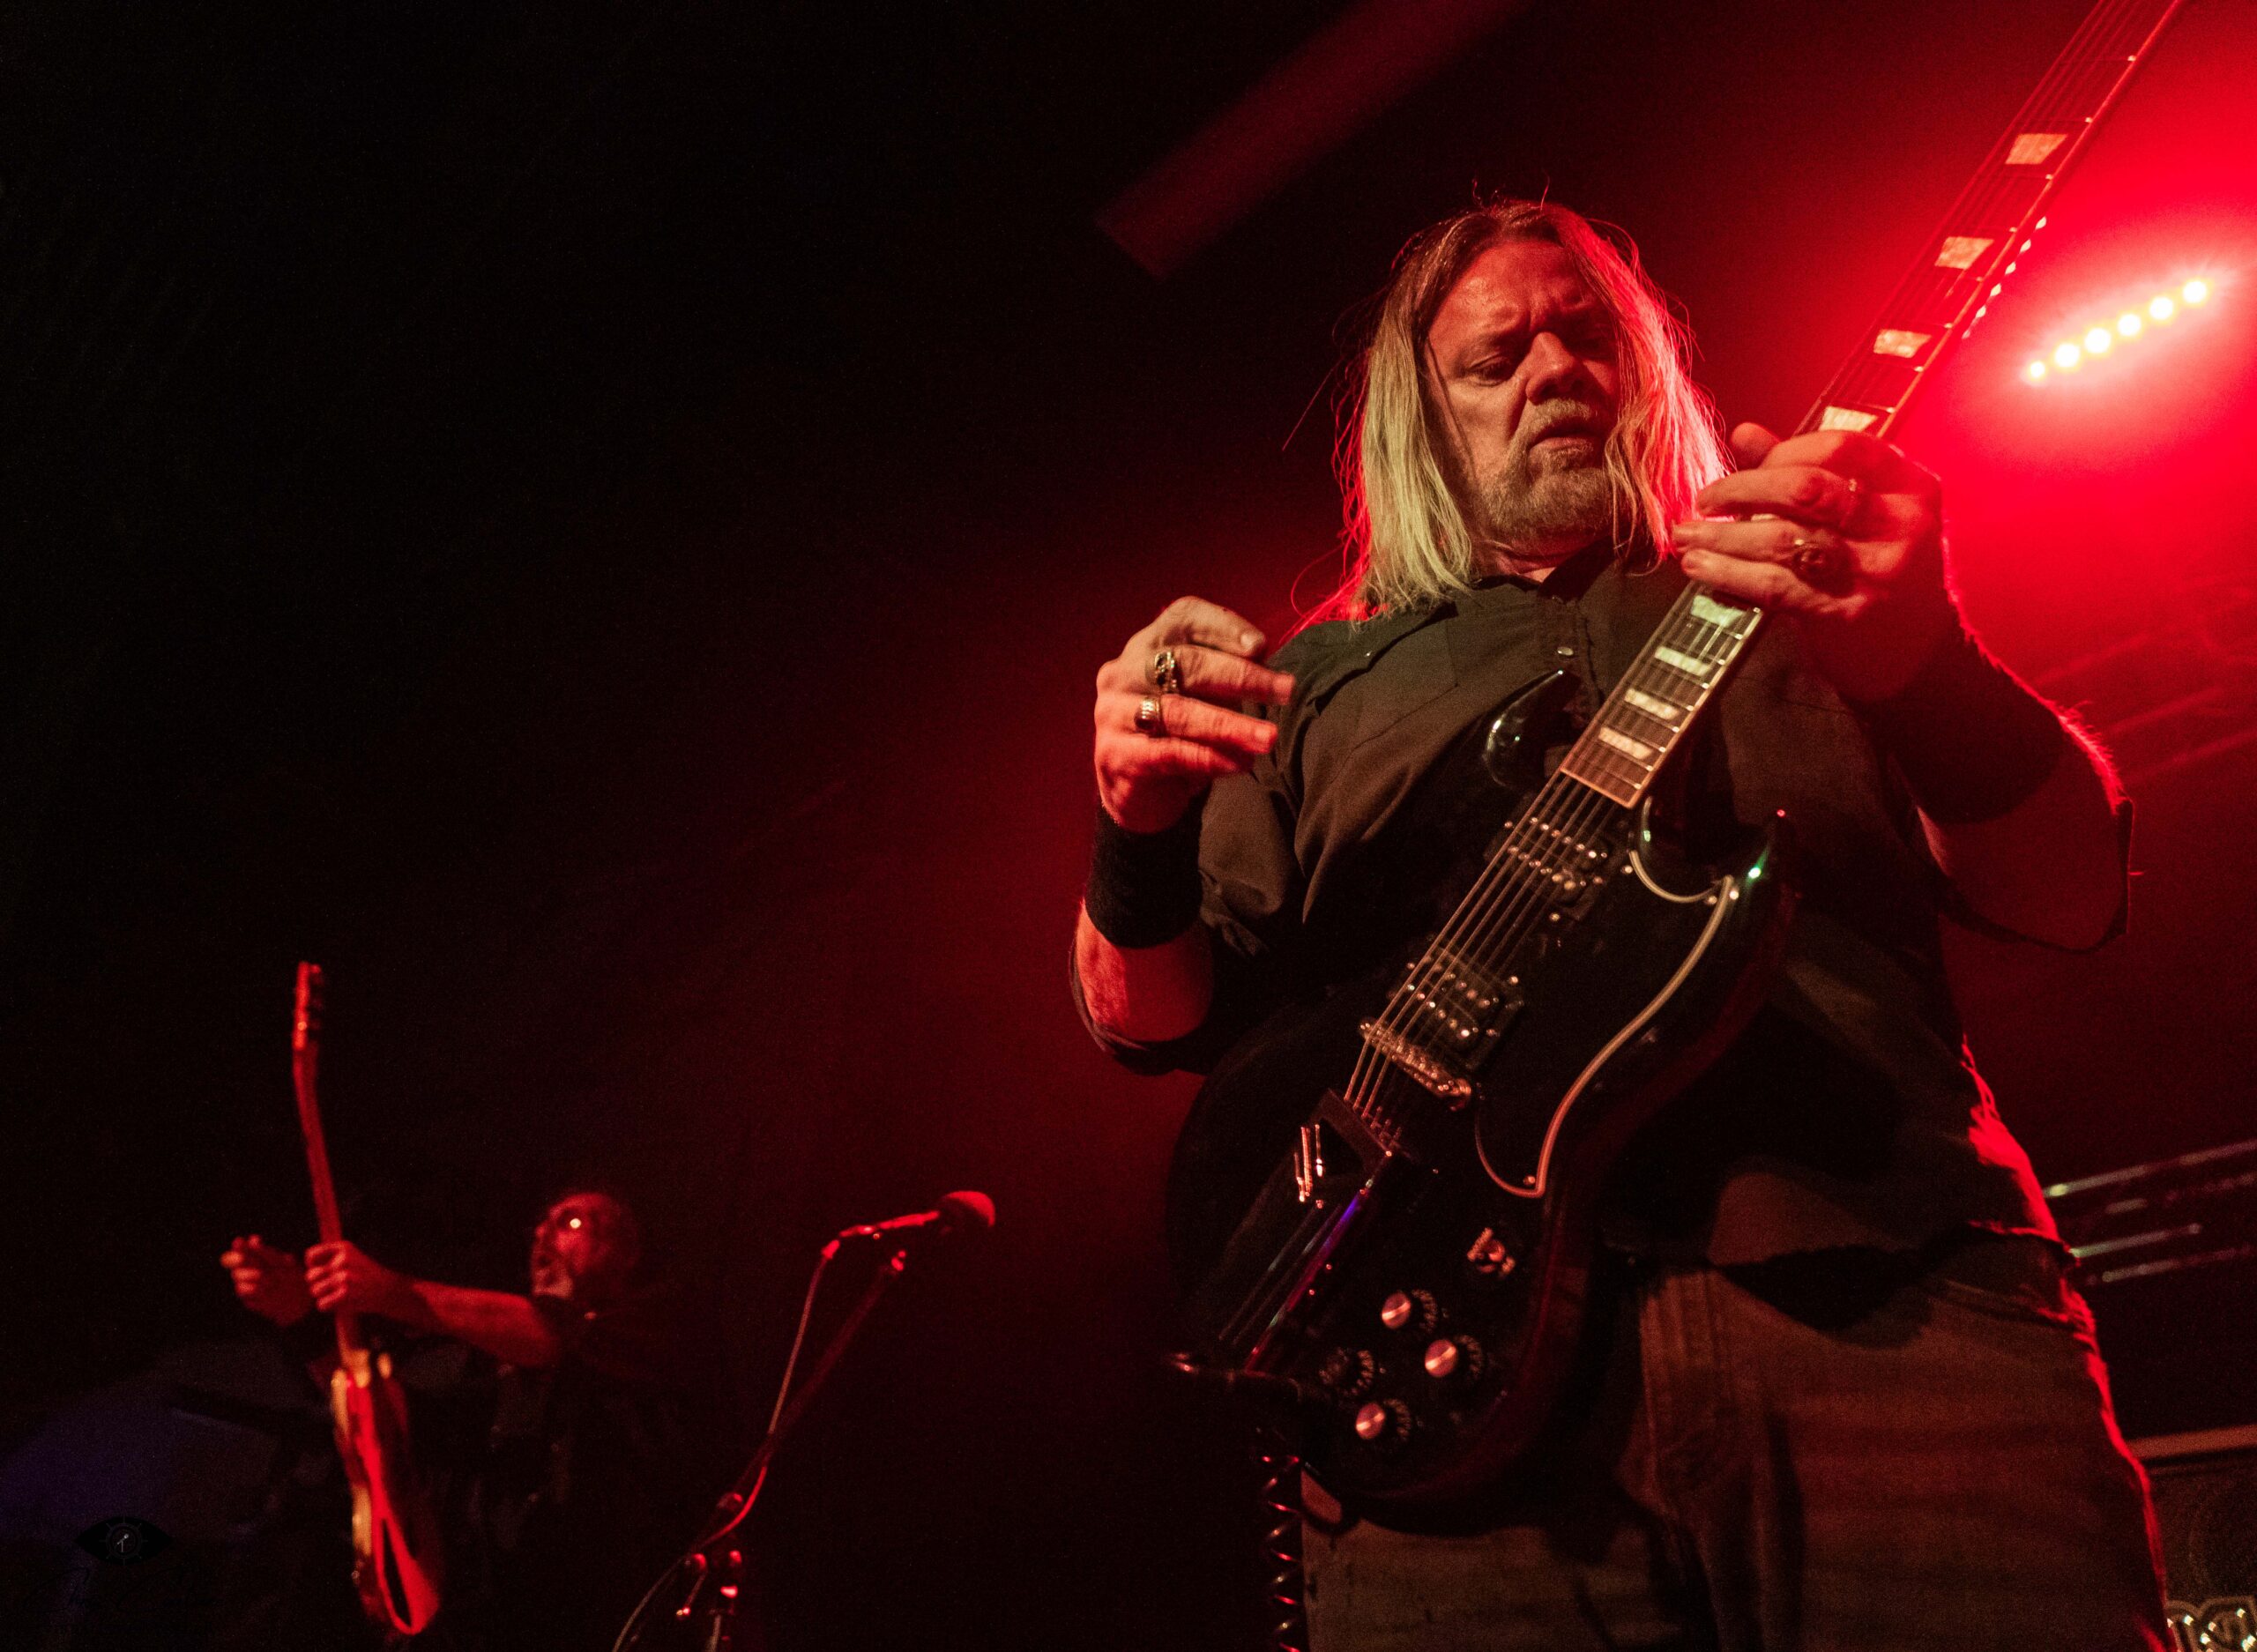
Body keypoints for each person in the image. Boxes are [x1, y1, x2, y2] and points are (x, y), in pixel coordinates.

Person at [1072, 198, 2168, 1648]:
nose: (1555, 369)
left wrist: (1928, 664)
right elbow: (1151, 1018)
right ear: (1422, 423)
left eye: (1587, 336)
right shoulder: (1317, 679)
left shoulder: (1805, 578)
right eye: (1497, 357)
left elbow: (2073, 896)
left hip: (1886, 1296)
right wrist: (1133, 826)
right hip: (1454, 1383)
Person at [222, 1191, 696, 1651]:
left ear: (625, 1253)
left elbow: (554, 1335)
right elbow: (387, 1419)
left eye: (571, 1223)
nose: (543, 1235)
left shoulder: (653, 1328)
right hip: (474, 1624)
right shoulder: (484, 1361)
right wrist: (300, 1318)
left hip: (592, 1623)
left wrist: (394, 1292)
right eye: (541, 1225)